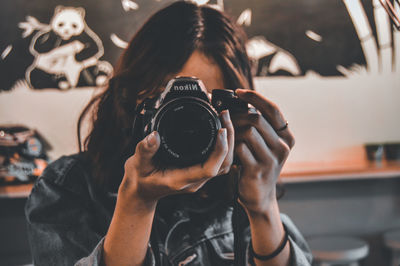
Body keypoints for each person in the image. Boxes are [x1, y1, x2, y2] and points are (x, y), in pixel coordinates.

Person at [25, 1, 312, 265]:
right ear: (133, 97)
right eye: (170, 100)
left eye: (204, 103)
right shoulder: (67, 188)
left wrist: (262, 207)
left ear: (232, 109)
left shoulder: (240, 187)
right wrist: (136, 203)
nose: (188, 122)